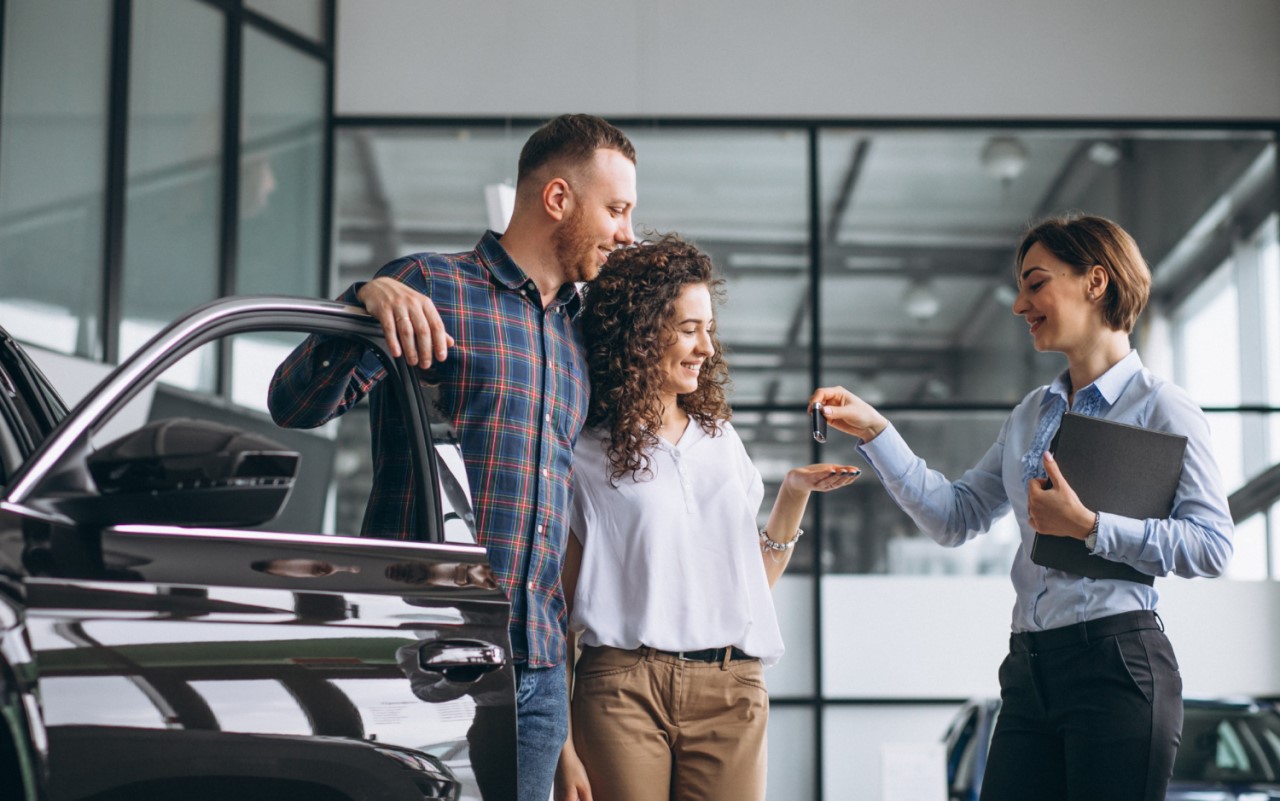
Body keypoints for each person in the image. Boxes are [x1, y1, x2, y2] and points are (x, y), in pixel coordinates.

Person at [267, 113, 637, 801]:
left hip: (537, 669)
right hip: (427, 654)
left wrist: (567, 737)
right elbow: (295, 404)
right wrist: (357, 303)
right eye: (615, 209)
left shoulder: (584, 336)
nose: (627, 232)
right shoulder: (428, 286)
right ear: (557, 199)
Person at [812, 213, 1234, 801]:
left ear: (1095, 281)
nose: (1018, 305)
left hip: (1117, 668)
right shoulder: (1034, 413)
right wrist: (878, 431)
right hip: (1030, 670)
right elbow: (955, 517)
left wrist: (1089, 527)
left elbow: (1213, 545)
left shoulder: (1163, 407)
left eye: (1035, 284)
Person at [554, 235, 860, 801]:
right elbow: (559, 611)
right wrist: (561, 745)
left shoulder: (722, 441)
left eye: (709, 330)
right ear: (640, 333)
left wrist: (792, 496)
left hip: (731, 687)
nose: (707, 348)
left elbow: (749, 588)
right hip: (622, 689)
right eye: (690, 329)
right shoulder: (584, 452)